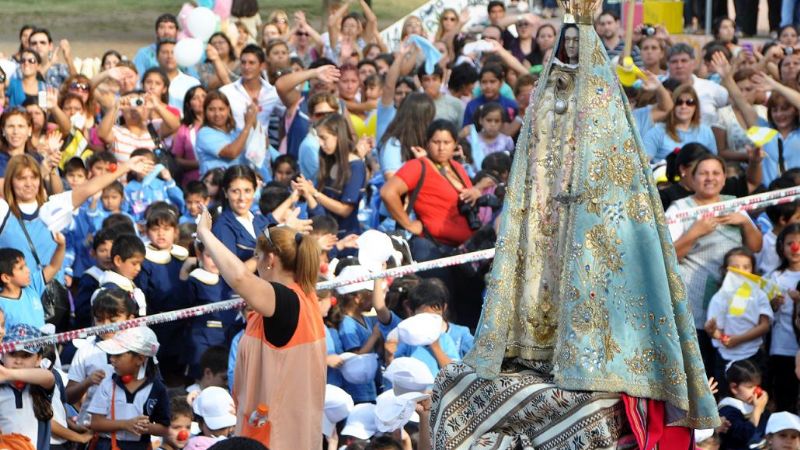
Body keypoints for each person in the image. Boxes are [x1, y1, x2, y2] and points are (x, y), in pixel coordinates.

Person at [430, 14, 719, 448]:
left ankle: (593, 355)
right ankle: (534, 347)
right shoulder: (547, 100)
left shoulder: (607, 107)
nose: (569, 56)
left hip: (596, 223)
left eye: (577, 48)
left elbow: (618, 180)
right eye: (563, 48)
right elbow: (533, 163)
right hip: (548, 217)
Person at [196, 207, 326, 450]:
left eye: (257, 256)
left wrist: (205, 233)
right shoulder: (304, 295)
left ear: (271, 259)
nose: (256, 266)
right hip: (287, 432)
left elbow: (239, 278)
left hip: (276, 438)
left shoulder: (285, 300)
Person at [87, 327, 170, 450]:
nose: (111, 359)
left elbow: (164, 428)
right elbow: (95, 423)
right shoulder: (108, 384)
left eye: (118, 355)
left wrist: (144, 427)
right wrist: (125, 424)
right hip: (107, 445)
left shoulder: (157, 388)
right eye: (111, 355)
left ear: (140, 359)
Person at [705, 248, 772, 393]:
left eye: (746, 267)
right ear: (725, 270)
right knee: (726, 396)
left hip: (752, 355)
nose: (740, 271)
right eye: (734, 267)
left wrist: (739, 339)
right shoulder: (720, 297)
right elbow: (718, 333)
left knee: (755, 395)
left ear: (753, 270)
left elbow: (764, 325)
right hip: (725, 357)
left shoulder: (759, 295)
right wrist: (713, 332)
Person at [209, 165, 270, 296]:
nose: (242, 197)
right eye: (235, 191)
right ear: (225, 192)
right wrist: (262, 255)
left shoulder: (258, 219)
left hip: (263, 294)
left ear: (255, 191)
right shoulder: (222, 227)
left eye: (247, 190)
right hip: (238, 301)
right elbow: (233, 274)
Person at [0, 324, 57, 450]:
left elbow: (49, 377)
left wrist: (7, 374)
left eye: (26, 355)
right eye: (12, 353)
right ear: (2, 355)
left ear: (38, 359)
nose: (18, 361)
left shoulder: (38, 384)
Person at [766, 223, 800, 414]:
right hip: (782, 345)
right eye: (790, 243)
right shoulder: (775, 276)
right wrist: (772, 305)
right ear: (781, 247)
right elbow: (762, 312)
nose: (795, 248)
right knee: (785, 395)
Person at [643, 85, 718, 163]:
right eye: (679, 102)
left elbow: (713, 162)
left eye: (689, 102)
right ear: (672, 105)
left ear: (696, 107)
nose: (684, 106)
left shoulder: (706, 131)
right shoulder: (657, 131)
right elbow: (644, 164)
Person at [219, 45, 280, 133]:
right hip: (233, 144)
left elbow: (287, 116)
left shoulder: (273, 93)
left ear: (262, 66)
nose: (246, 67)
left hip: (262, 145)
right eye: (243, 62)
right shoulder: (226, 92)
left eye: (251, 63)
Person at [195, 91, 258, 175]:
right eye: (211, 109)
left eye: (221, 109)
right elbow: (232, 152)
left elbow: (264, 145)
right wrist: (248, 125)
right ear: (205, 111)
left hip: (240, 182)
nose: (217, 114)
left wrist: (254, 120)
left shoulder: (237, 131)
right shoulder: (204, 133)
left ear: (228, 110)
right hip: (216, 185)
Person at [717, 360, 770, 449]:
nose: (757, 391)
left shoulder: (755, 404)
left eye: (757, 386)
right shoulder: (728, 409)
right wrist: (757, 410)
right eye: (750, 387)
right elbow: (744, 434)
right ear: (734, 388)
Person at [172, 86, 207, 186]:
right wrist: (198, 164)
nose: (201, 100)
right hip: (194, 181)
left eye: (204, 96)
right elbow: (177, 160)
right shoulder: (184, 129)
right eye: (195, 98)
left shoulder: (218, 124)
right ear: (189, 105)